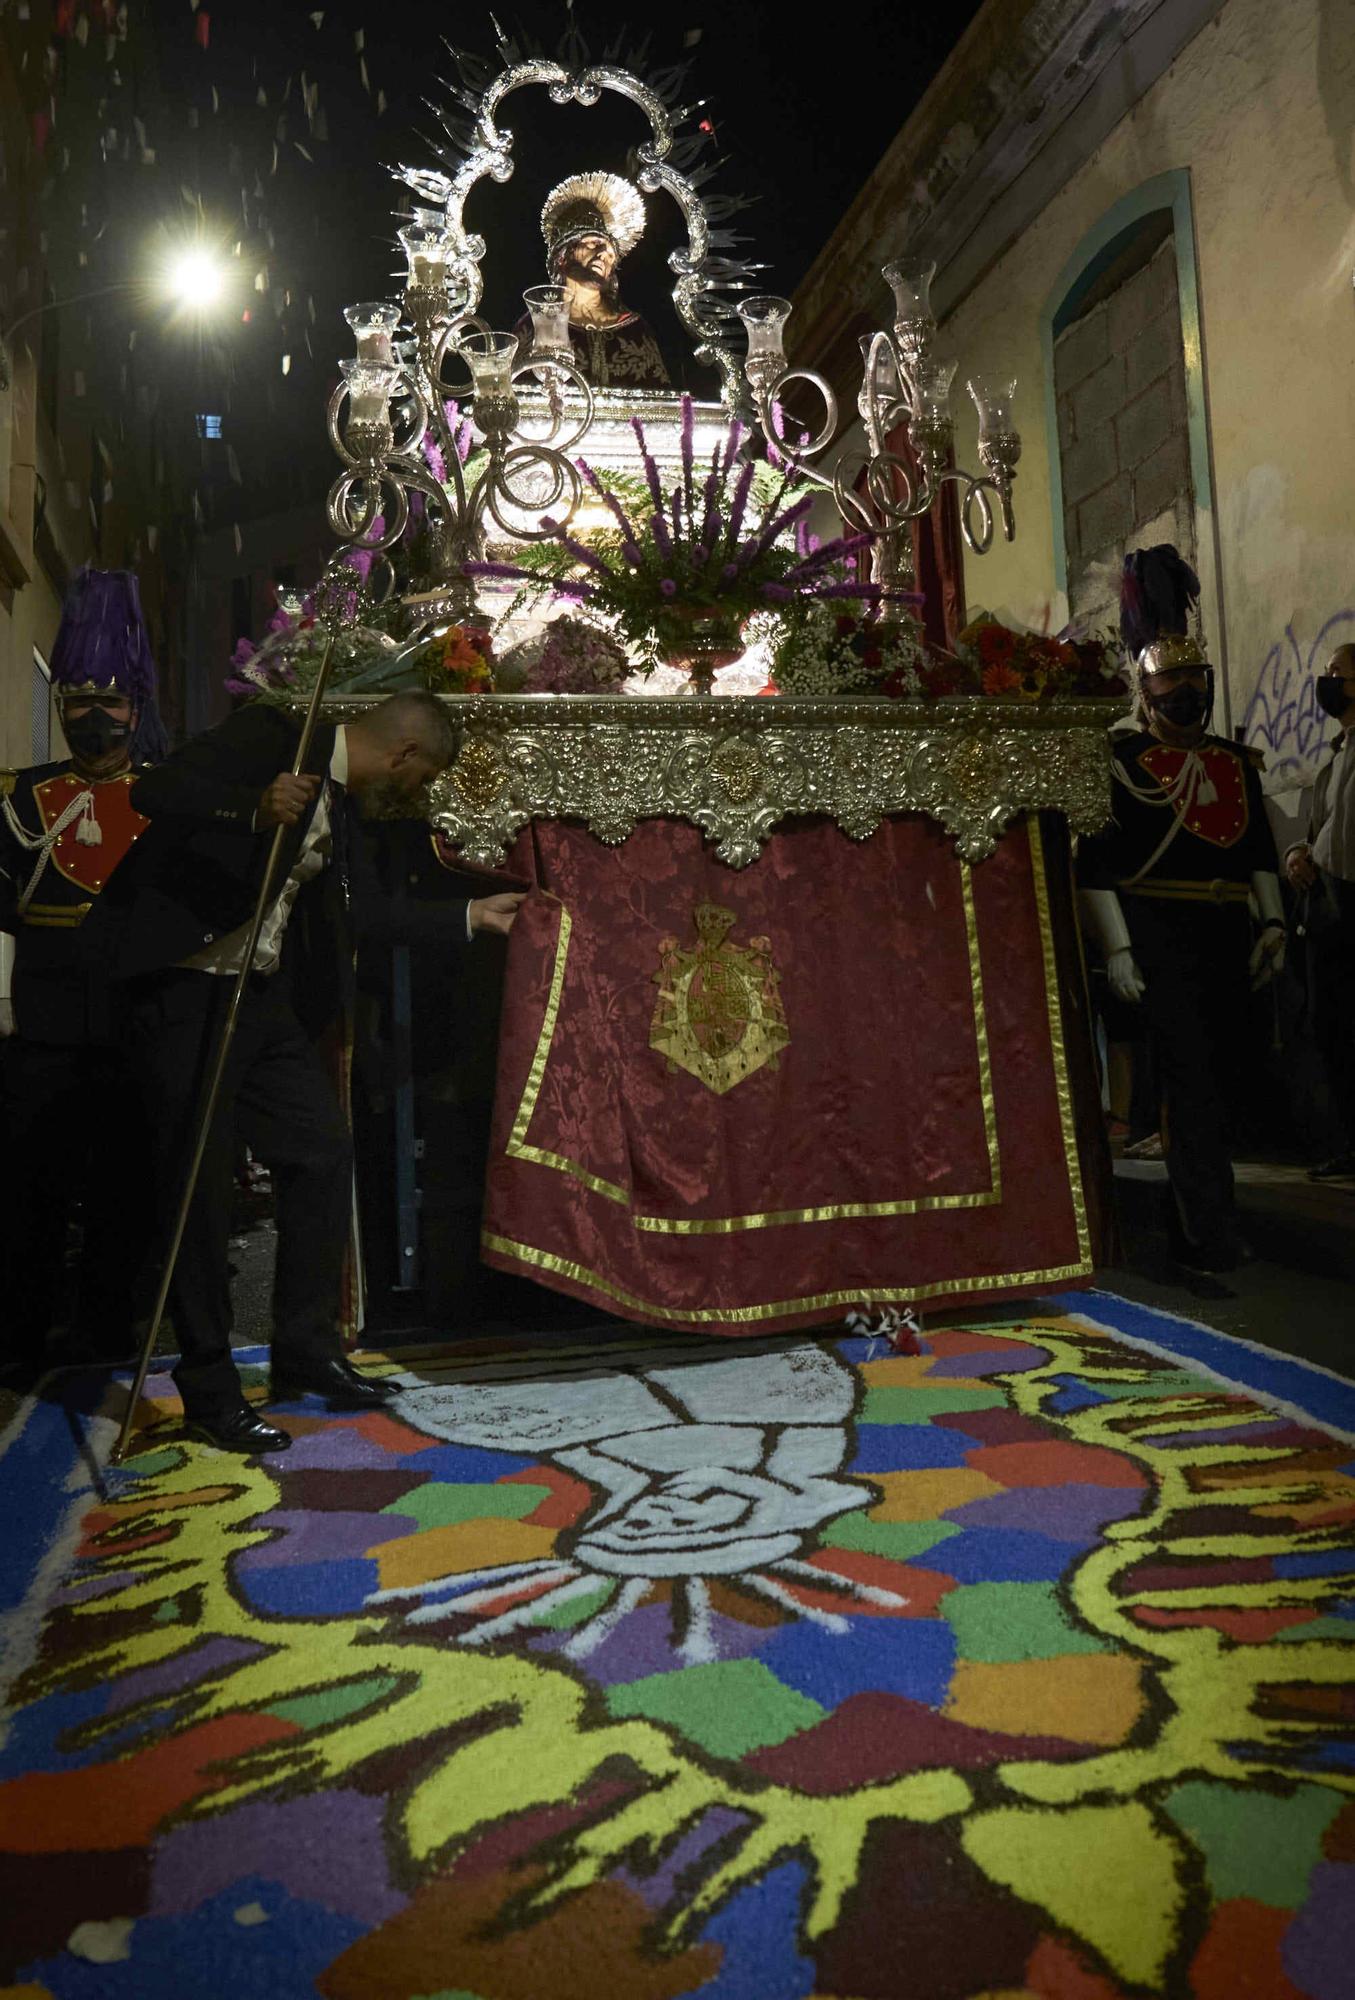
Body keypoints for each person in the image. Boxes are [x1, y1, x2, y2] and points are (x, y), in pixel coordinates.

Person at [85, 689, 523, 1454]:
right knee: (199, 1189)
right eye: (420, 782)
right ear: (403, 756)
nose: (414, 795)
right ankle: (211, 1390)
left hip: (255, 996)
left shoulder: (344, 804)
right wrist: (253, 807)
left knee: (319, 1151)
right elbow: (154, 790)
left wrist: (467, 916)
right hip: (182, 987)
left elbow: (355, 914)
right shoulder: (274, 738)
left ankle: (304, 1351)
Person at [1077, 545, 1286, 1274]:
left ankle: (1207, 1217)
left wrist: (1271, 923)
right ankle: (1206, 1238)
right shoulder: (1122, 765)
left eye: (1194, 680)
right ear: (1145, 689)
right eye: (1171, 681)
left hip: (1227, 934)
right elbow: (1096, 865)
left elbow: (1254, 848)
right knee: (1190, 1089)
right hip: (1160, 936)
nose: (1186, 693)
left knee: (1227, 1082)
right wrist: (1120, 951)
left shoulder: (1233, 763)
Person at [0, 568, 168, 1380]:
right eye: (76, 702)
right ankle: (19, 1338)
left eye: (108, 703)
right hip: (45, 1029)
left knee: (123, 1198)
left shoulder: (167, 798)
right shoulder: (20, 800)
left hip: (135, 1026)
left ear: (137, 710)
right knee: (28, 1195)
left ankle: (108, 1334)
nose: (92, 717)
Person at [1284, 643, 1355, 1179]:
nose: (1326, 680)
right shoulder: (1337, 753)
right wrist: (1296, 855)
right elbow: (1320, 828)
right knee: (1330, 1023)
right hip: (1329, 899)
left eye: (1337, 673)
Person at [521, 171, 671, 390]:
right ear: (563, 257)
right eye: (592, 243)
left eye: (610, 253)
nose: (603, 254)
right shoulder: (538, 324)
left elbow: (661, 403)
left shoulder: (636, 329)